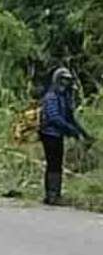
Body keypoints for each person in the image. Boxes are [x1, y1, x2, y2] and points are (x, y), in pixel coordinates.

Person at [38, 67, 96, 205]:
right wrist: (71, 131)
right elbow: (54, 118)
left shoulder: (64, 97)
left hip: (58, 134)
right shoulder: (51, 96)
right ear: (57, 80)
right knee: (53, 164)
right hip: (49, 134)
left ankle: (53, 194)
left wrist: (83, 133)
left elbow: (70, 118)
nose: (66, 83)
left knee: (56, 164)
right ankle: (52, 195)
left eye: (68, 80)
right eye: (63, 80)